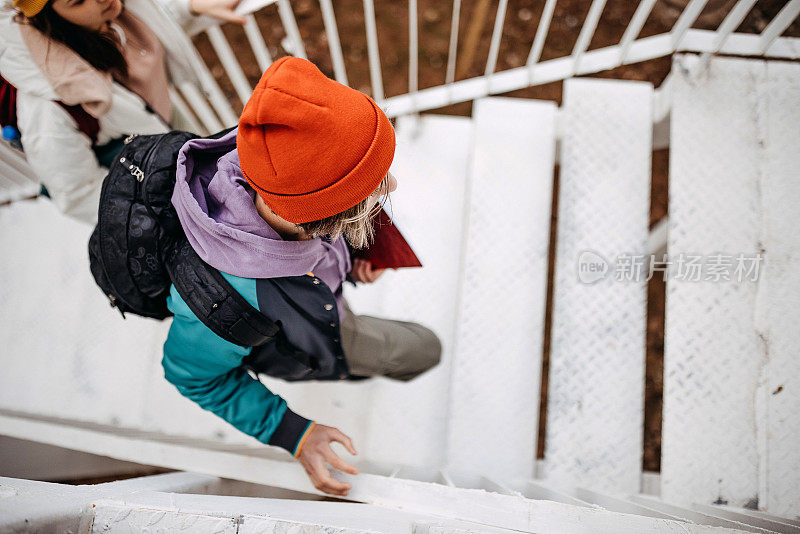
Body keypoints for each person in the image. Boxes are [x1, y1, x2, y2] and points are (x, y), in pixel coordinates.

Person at [163, 56, 442, 496]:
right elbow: (193, 376)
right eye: (371, 187)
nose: (389, 188)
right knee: (425, 350)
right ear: (324, 217)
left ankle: (351, 368)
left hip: (320, 306)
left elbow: (314, 235)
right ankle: (345, 368)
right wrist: (292, 431)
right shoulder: (223, 302)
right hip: (307, 345)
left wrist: (347, 265)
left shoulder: (268, 165)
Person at [0, 0, 243, 223]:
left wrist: (190, 7)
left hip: (164, 123)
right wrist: (160, 217)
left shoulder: (115, 13)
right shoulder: (46, 108)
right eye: (78, 1)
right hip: (152, 185)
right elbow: (77, 193)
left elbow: (157, 18)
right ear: (48, 20)